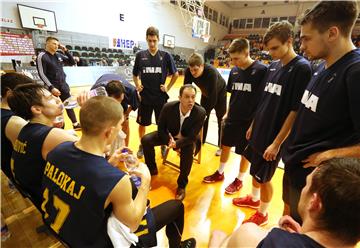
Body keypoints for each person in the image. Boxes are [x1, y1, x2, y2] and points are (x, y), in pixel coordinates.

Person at [41, 96, 196, 248]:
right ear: (109, 132)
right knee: (176, 207)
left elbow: (84, 179)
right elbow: (133, 223)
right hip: (98, 241)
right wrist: (146, 182)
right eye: (121, 125)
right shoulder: (116, 180)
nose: (122, 129)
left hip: (65, 231)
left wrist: (108, 164)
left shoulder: (57, 150)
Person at [281, 0, 360, 223]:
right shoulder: (320, 66)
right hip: (295, 171)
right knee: (288, 225)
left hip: (318, 184)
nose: (302, 45)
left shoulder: (355, 72)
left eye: (306, 38)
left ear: (332, 33)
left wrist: (328, 155)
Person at [232, 21, 312, 226]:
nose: (272, 53)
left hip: (273, 137)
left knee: (265, 178)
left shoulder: (302, 69)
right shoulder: (274, 66)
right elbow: (264, 101)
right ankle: (254, 199)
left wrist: (277, 143)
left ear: (289, 41)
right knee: (256, 173)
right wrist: (252, 125)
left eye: (276, 48)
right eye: (269, 49)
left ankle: (264, 213)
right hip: (259, 129)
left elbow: (295, 111)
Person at [208, 157, 360, 248]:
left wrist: (219, 241)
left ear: (314, 202)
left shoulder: (251, 235)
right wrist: (304, 236)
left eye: (306, 184)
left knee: (219, 235)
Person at [203, 38, 268, 195]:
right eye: (231, 58)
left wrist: (254, 125)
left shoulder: (261, 71)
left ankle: (239, 179)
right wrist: (227, 112)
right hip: (233, 117)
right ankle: (220, 172)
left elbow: (263, 101)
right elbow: (232, 95)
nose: (233, 62)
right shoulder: (234, 71)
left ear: (247, 53)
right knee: (225, 145)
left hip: (249, 120)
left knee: (244, 153)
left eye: (236, 58)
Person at [8, 83, 77, 208]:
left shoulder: (26, 130)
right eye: (51, 98)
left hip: (35, 196)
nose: (57, 99)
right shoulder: (52, 135)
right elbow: (97, 152)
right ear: (37, 109)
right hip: (52, 203)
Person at [141, 85, 206, 201]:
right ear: (180, 98)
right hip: (169, 136)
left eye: (193, 97)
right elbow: (160, 129)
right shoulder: (168, 107)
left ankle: (182, 185)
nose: (190, 100)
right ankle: (152, 169)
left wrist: (177, 145)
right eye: (186, 97)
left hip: (186, 140)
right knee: (146, 140)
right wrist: (168, 140)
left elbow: (192, 137)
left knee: (188, 152)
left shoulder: (200, 113)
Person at [133, 26, 179, 159]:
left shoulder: (165, 56)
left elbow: (175, 74)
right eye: (149, 41)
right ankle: (142, 144)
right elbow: (135, 75)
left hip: (160, 98)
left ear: (158, 39)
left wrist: (168, 87)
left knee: (162, 125)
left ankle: (163, 145)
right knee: (142, 124)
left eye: (154, 40)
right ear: (146, 40)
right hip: (145, 98)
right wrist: (137, 85)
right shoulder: (140, 56)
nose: (152, 44)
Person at [183, 53, 227, 155]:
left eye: (196, 70)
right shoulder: (189, 72)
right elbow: (186, 90)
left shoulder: (211, 72)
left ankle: (221, 147)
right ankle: (201, 142)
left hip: (219, 93)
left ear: (202, 66)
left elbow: (213, 96)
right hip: (206, 93)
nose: (193, 73)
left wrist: (205, 114)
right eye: (191, 70)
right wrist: (186, 105)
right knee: (202, 119)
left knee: (221, 119)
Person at [36, 36, 80, 130]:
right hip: (52, 87)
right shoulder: (42, 56)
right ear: (47, 44)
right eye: (54, 44)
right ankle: (57, 127)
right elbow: (41, 73)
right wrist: (51, 87)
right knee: (54, 107)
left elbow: (72, 62)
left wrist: (65, 50)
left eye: (57, 44)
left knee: (68, 104)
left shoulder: (59, 55)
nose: (56, 46)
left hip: (63, 85)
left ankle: (75, 124)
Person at [91, 73, 140, 146]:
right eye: (116, 101)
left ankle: (126, 147)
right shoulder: (96, 92)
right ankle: (104, 147)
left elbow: (134, 104)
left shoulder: (131, 91)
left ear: (124, 93)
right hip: (104, 100)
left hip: (119, 96)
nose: (118, 104)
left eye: (120, 99)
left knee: (125, 123)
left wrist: (126, 114)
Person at [1, 73, 33, 182]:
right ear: (9, 93)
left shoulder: (10, 115)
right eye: (25, 92)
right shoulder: (16, 122)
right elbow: (31, 156)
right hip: (15, 179)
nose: (30, 96)